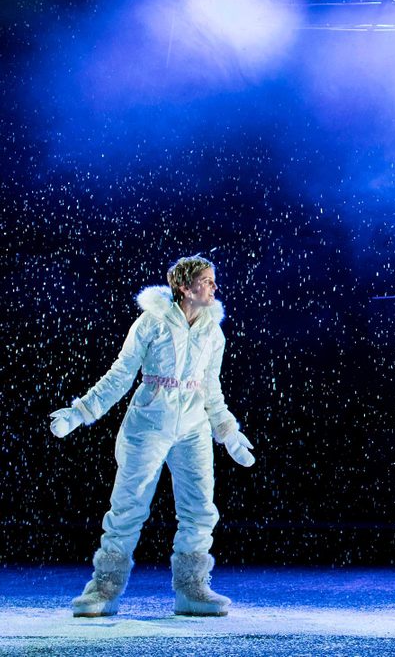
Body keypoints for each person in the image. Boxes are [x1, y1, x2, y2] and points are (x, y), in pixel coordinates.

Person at [49, 255, 255, 618]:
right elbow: (120, 374)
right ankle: (105, 588)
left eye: (213, 280)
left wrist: (228, 433)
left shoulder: (213, 332)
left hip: (192, 428)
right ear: (184, 286)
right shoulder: (152, 322)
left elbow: (211, 390)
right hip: (148, 424)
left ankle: (192, 589)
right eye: (206, 280)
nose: (214, 287)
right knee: (128, 507)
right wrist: (80, 412)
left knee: (199, 509)